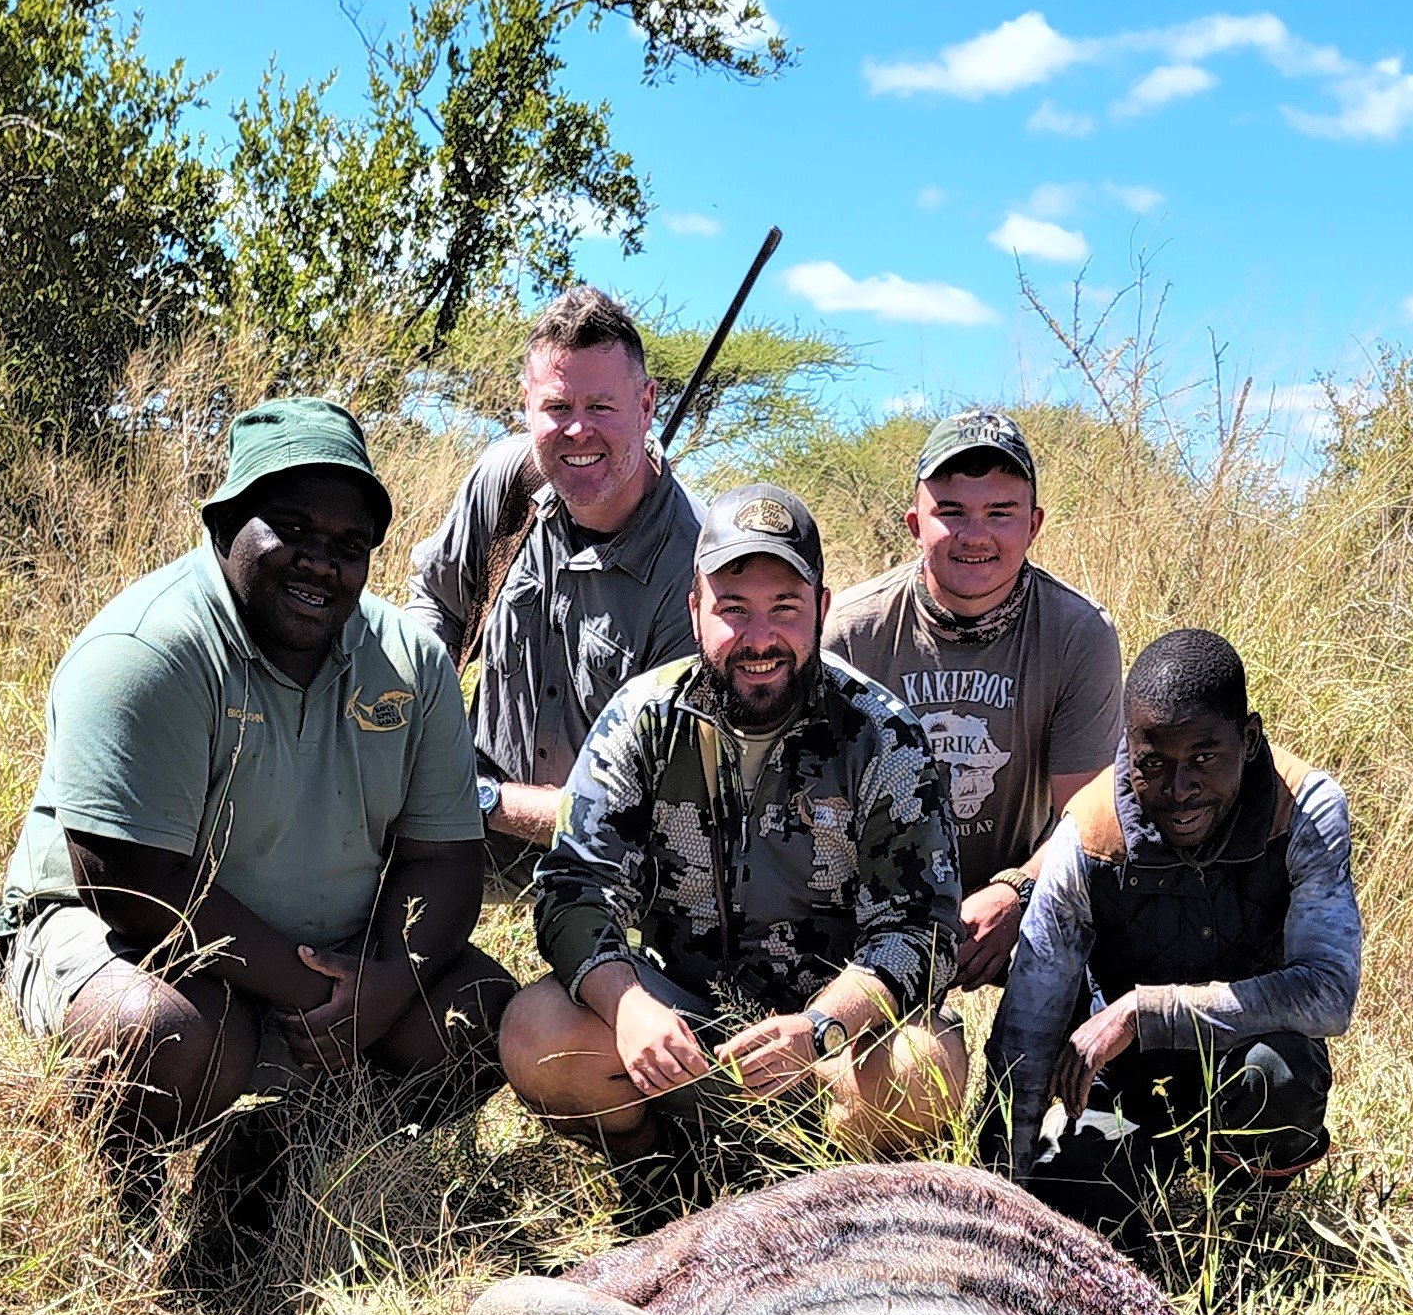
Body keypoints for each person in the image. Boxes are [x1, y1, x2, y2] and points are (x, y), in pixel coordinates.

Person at [0, 397, 506, 1152]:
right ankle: (130, 1193)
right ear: (225, 525)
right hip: (133, 939)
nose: (321, 561)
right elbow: (127, 882)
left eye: (349, 542)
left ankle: (289, 1158)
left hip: (334, 955)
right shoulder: (150, 648)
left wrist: (390, 980)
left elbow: (447, 858)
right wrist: (323, 997)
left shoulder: (411, 660)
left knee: (487, 1011)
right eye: (291, 529)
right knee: (168, 1036)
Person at [499, 485, 964, 1206]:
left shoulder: (882, 733)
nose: (759, 638)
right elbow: (574, 889)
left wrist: (820, 1028)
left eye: (784, 608)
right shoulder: (643, 720)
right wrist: (629, 1009)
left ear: (822, 610)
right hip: (684, 1038)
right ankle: (658, 1176)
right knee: (536, 1030)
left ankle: (830, 1201)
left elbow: (920, 932)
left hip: (825, 1051)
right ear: (694, 611)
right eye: (732, 609)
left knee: (924, 1064)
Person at [995, 626, 1361, 1229]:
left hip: (1243, 1056)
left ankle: (1246, 1218)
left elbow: (1328, 995)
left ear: (1248, 739)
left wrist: (1147, 1012)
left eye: (1203, 759)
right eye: (1153, 765)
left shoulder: (1304, 808)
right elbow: (1028, 1027)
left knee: (1279, 1079)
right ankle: (1135, 1175)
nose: (1179, 789)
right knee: (1078, 1192)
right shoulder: (1088, 832)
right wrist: (1007, 1183)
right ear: (1127, 748)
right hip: (1119, 1072)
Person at [825, 410, 1121, 992]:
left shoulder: (1078, 633)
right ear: (915, 523)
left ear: (1034, 525)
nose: (974, 534)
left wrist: (1019, 891)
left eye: (1000, 513)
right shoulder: (850, 634)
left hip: (1025, 888)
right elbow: (823, 812)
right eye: (951, 512)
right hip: (878, 892)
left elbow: (1086, 818)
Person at [404, 285, 702, 863]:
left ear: (646, 406)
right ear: (526, 404)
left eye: (602, 408)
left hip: (611, 853)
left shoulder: (694, 564)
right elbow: (436, 604)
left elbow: (648, 806)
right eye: (558, 408)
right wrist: (416, 736)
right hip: (471, 815)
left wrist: (478, 798)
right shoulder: (505, 482)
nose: (577, 431)